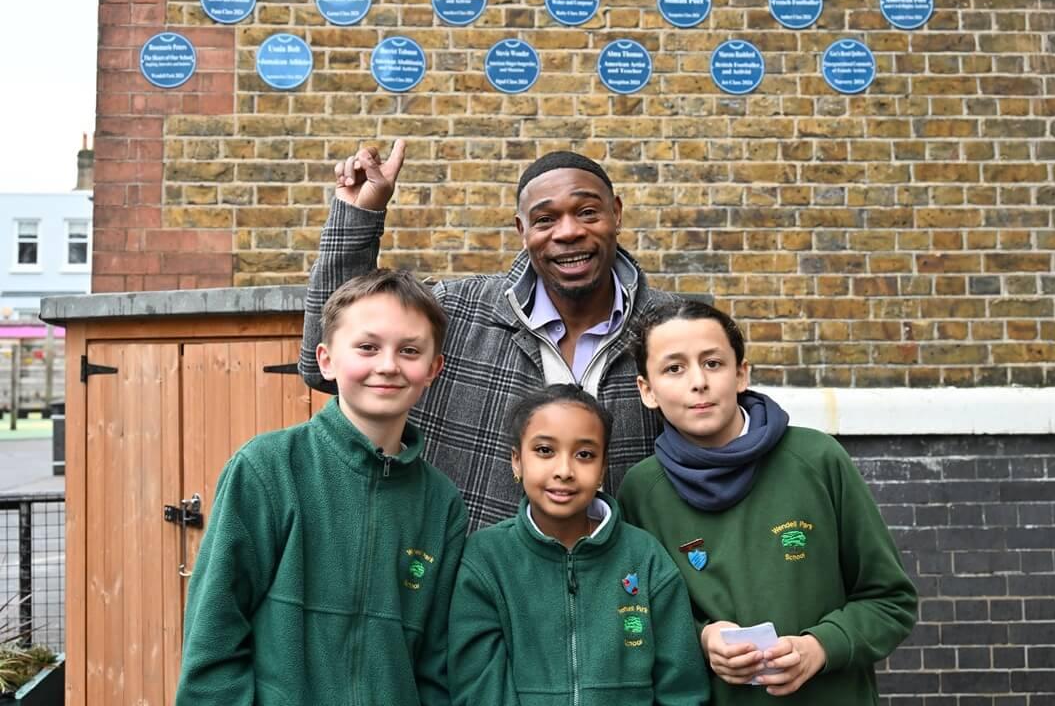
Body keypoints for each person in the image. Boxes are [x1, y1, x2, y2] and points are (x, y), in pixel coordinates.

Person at [299, 141, 675, 531]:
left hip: (624, 584)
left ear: (615, 213)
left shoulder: (669, 330)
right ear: (522, 229)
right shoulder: (457, 312)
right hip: (470, 580)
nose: (568, 231)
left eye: (587, 212)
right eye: (545, 220)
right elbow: (321, 364)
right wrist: (360, 214)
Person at [177, 269, 468, 706]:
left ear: (433, 368)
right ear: (327, 360)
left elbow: (436, 666)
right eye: (367, 347)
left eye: (409, 350)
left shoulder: (442, 504)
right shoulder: (267, 469)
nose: (387, 365)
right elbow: (213, 637)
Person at [618, 300, 917, 705]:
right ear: (647, 390)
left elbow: (890, 600)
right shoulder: (641, 491)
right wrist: (703, 638)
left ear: (741, 374)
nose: (698, 382)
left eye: (713, 363)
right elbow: (638, 618)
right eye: (674, 368)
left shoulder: (817, 459)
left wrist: (821, 647)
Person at [448, 383, 709, 706]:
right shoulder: (485, 560)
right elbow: (478, 689)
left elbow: (682, 689)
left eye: (584, 455)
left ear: (602, 469)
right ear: (516, 461)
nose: (564, 471)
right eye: (545, 451)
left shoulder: (645, 557)